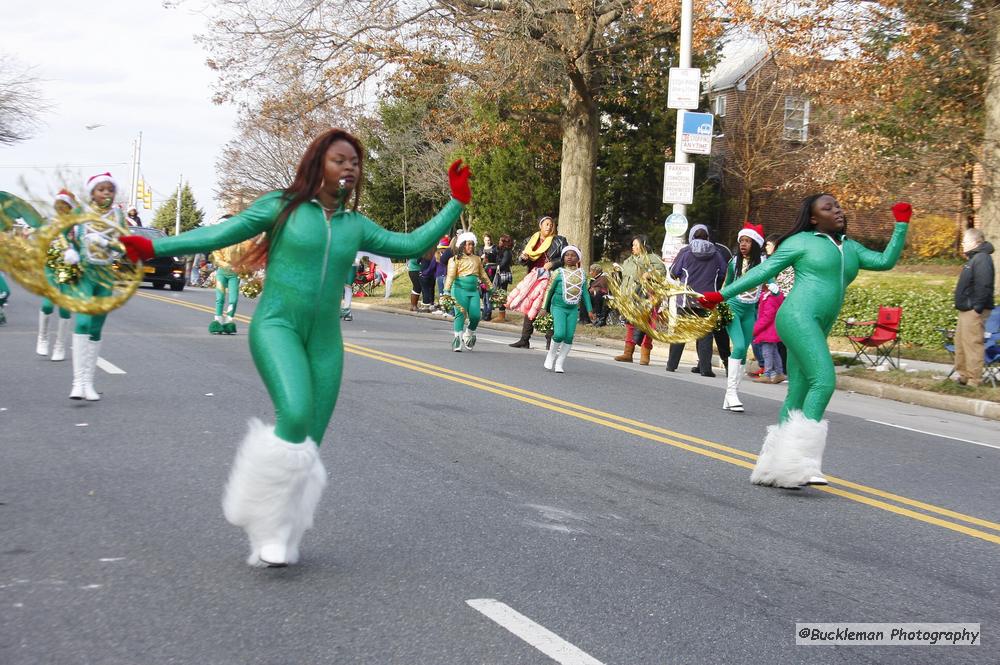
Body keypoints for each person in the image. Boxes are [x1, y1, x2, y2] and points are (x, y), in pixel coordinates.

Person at [121, 129, 470, 567]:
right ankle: (255, 508)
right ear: (316, 163)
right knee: (297, 413)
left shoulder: (354, 224)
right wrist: (153, 246)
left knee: (309, 444)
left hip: (325, 340)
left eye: (355, 162)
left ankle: (281, 531)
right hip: (276, 326)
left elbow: (410, 244)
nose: (349, 167)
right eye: (339, 159)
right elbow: (217, 234)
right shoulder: (281, 208)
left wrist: (455, 202)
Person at [699, 196, 911, 488]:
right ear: (813, 218)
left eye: (838, 206)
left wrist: (901, 224)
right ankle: (800, 463)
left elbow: (885, 261)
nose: (837, 210)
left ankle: (771, 467)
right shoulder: (800, 242)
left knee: (797, 393)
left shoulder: (850, 247)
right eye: (828, 208)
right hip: (797, 316)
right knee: (824, 381)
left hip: (818, 323)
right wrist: (722, 295)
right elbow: (763, 271)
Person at [66, 173, 127, 401]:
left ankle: (89, 382)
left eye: (109, 190)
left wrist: (109, 243)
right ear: (92, 192)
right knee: (82, 320)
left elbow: (124, 245)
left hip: (105, 276)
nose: (106, 194)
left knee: (96, 327)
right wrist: (68, 250)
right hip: (85, 273)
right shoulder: (80, 212)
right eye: (101, 189)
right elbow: (63, 234)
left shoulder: (118, 215)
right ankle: (77, 382)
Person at [666, 224, 727, 375]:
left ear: (692, 237)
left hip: (687, 300)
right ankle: (705, 369)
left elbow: (674, 272)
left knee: (681, 332)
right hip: (708, 300)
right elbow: (723, 273)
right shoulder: (717, 253)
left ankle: (672, 365)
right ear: (708, 237)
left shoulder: (685, 252)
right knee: (706, 335)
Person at [719, 223, 765, 412]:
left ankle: (731, 395)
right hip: (732, 308)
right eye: (742, 241)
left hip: (749, 312)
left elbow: (769, 277)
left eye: (748, 241)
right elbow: (726, 287)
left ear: (756, 244)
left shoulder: (762, 264)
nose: (744, 244)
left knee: (744, 352)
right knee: (737, 346)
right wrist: (719, 304)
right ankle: (731, 393)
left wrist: (775, 286)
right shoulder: (733, 263)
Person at [507, 216, 568, 348]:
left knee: (549, 308)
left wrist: (552, 263)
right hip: (534, 278)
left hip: (551, 277)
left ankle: (550, 341)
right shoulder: (530, 240)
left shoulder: (560, 241)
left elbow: (566, 258)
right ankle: (524, 339)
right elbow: (523, 260)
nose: (549, 226)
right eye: (546, 224)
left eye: (551, 224)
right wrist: (523, 258)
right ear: (540, 226)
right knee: (530, 306)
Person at [36, 190, 78, 361]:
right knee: (48, 304)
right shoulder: (49, 223)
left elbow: (80, 245)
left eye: (65, 205)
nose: (61, 208)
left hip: (67, 267)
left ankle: (60, 346)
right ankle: (42, 337)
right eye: (59, 204)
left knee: (64, 307)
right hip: (50, 267)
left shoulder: (76, 226)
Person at [613, 235, 666, 365]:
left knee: (647, 326)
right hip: (630, 297)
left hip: (647, 297)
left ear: (644, 245)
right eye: (633, 245)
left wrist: (650, 274)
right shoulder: (629, 261)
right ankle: (628, 353)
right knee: (630, 325)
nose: (633, 247)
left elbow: (662, 274)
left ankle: (645, 354)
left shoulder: (654, 259)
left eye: (636, 245)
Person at [953, 228, 995, 387]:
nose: (962, 243)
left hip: (973, 309)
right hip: (966, 308)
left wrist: (976, 307)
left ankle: (974, 378)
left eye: (965, 241)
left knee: (972, 343)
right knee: (961, 341)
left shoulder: (982, 258)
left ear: (975, 242)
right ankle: (963, 375)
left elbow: (984, 285)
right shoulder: (974, 258)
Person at [542, 246, 594, 373]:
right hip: (558, 307)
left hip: (572, 309)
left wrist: (589, 310)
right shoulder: (558, 272)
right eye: (567, 255)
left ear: (578, 258)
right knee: (559, 334)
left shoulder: (582, 274)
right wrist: (544, 307)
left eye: (573, 255)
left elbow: (585, 294)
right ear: (563, 257)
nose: (570, 257)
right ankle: (551, 355)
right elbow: (549, 290)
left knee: (569, 337)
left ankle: (560, 363)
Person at [443, 231, 493, 351]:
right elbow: (450, 276)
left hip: (473, 291)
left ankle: (468, 334)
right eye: (468, 244)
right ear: (462, 245)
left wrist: (491, 288)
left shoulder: (477, 259)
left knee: (476, 316)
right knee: (460, 314)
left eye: (472, 244)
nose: (470, 247)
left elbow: (483, 275)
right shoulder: (454, 259)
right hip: (459, 290)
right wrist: (446, 291)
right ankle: (457, 340)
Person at [751, 284, 785, 383]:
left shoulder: (769, 298)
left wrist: (755, 329)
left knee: (767, 353)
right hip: (772, 330)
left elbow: (767, 316)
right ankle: (779, 373)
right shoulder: (771, 296)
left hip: (767, 331)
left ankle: (767, 374)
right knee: (774, 352)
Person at [493, 234, 514, 322]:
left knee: (502, 293)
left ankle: (502, 315)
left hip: (503, 274)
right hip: (501, 273)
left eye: (501, 241)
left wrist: (497, 267)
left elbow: (503, 263)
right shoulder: (501, 250)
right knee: (500, 292)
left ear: (505, 242)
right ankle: (500, 313)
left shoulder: (507, 252)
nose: (499, 242)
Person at [480, 233, 498, 321]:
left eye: (489, 240)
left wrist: (488, 255)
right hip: (483, 272)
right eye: (486, 240)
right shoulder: (481, 249)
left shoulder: (494, 248)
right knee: (483, 293)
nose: (488, 241)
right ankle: (484, 312)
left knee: (488, 294)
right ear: (483, 240)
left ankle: (488, 313)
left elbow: (495, 258)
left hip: (491, 272)